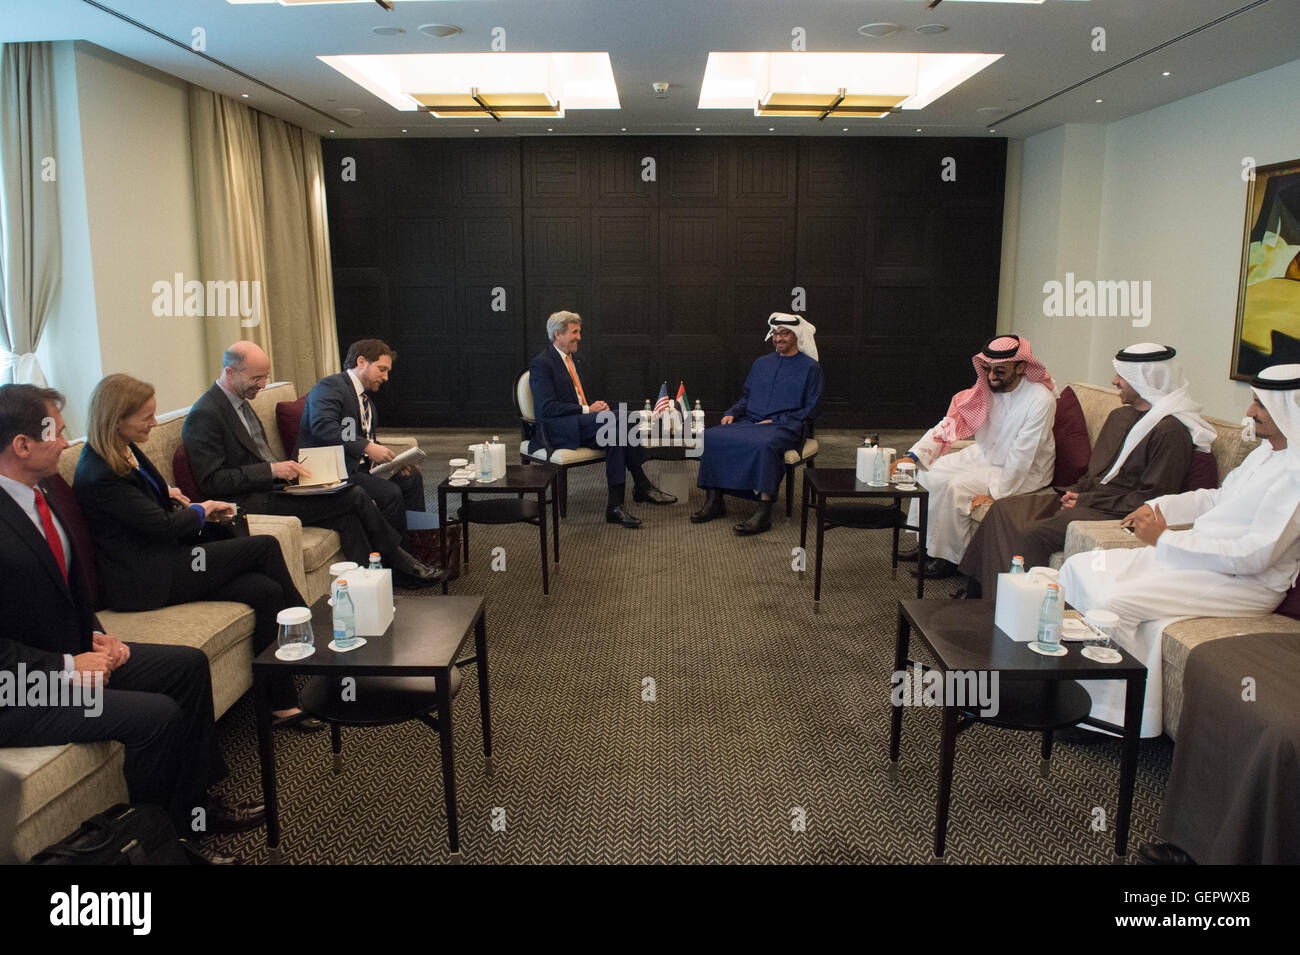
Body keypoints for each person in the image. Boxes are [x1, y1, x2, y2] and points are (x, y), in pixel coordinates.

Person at [0, 384, 262, 864]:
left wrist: (95, 635)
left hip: (71, 655)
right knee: (155, 716)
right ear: (21, 445)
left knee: (186, 665)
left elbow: (62, 588)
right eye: (56, 433)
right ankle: (151, 846)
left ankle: (193, 813)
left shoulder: (43, 494)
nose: (66, 442)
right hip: (19, 690)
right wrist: (65, 666)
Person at [1057, 363, 1300, 740]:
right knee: (1081, 567)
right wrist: (1162, 509)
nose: (1250, 413)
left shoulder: (1296, 472)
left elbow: (1255, 555)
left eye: (1260, 405)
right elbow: (1218, 498)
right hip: (1198, 557)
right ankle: (1073, 687)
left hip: (1244, 582)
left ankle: (1108, 719)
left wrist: (1166, 540)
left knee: (1117, 604)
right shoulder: (1267, 452)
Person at [75, 373, 323, 732]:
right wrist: (202, 510)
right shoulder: (97, 472)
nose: (153, 423)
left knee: (264, 591)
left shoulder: (125, 448)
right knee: (264, 546)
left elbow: (147, 507)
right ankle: (309, 630)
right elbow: (160, 527)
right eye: (145, 417)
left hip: (167, 559)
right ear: (116, 419)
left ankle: (280, 704)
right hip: (148, 579)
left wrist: (170, 496)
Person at [959, 343, 1213, 597]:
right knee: (1004, 508)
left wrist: (1086, 498)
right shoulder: (1120, 417)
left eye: (1122, 376)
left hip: (1114, 512)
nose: (1114, 381)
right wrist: (1076, 492)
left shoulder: (1170, 432)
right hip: (1085, 498)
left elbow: (1152, 498)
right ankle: (980, 594)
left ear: (1145, 380)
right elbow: (1095, 473)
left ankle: (1015, 607)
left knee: (1030, 532)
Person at [182, 341, 439, 587]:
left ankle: (374, 583)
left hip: (276, 487)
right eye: (256, 378)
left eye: (265, 378)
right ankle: (398, 558)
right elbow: (213, 481)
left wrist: (281, 472)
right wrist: (272, 470)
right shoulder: (206, 414)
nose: (261, 385)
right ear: (229, 372)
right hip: (251, 500)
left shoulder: (241, 403)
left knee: (347, 517)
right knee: (354, 495)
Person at [897, 334, 1057, 579]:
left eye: (1000, 371)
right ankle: (926, 546)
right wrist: (914, 456)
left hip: (1022, 471)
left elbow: (1023, 455)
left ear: (1022, 367)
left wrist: (997, 493)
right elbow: (948, 425)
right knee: (930, 471)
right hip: (984, 455)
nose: (992, 376)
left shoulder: (1040, 400)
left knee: (955, 487)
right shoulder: (988, 388)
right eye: (988, 369)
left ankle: (949, 559)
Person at [528, 310, 675, 528]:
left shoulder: (575, 359)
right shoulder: (542, 364)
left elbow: (579, 397)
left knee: (621, 426)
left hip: (581, 422)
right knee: (619, 421)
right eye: (574, 332)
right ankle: (640, 485)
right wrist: (589, 410)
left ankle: (616, 505)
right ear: (558, 334)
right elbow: (547, 408)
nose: (579, 337)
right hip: (556, 428)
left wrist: (595, 409)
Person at [691, 313, 823, 535]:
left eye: (784, 334)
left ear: (797, 336)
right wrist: (732, 412)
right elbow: (746, 396)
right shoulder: (761, 363)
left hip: (787, 426)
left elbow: (812, 408)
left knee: (764, 445)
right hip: (751, 421)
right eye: (775, 334)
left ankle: (764, 511)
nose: (778, 339)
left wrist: (778, 420)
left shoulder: (810, 368)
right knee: (711, 436)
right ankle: (715, 500)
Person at [298, 338, 424, 541]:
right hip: (335, 472)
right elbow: (324, 426)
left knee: (410, 479)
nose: (386, 378)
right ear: (361, 362)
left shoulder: (364, 400)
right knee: (390, 493)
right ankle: (398, 559)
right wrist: (366, 446)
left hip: (360, 468)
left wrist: (394, 460)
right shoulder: (330, 387)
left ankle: (420, 542)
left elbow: (360, 437)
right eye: (382, 369)